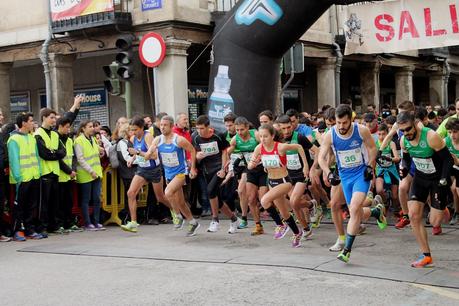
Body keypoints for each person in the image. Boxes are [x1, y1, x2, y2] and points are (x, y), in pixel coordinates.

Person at [318, 104, 387, 263]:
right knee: (355, 212)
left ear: (351, 120)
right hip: (344, 176)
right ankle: (376, 211)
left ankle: (347, 250)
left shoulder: (361, 130)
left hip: (361, 174)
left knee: (354, 208)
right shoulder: (330, 134)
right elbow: (321, 158)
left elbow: (372, 149)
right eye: (338, 123)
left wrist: (371, 166)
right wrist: (328, 173)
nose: (341, 126)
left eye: (344, 123)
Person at [398, 112, 453, 267]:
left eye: (408, 129)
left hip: (438, 179)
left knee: (435, 221)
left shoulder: (430, 136)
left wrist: (444, 178)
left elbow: (448, 159)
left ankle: (444, 210)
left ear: (415, 124)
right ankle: (426, 255)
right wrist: (403, 168)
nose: (406, 133)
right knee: (414, 215)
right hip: (421, 178)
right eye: (402, 130)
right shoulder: (403, 141)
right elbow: (406, 160)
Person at [248, 124, 308, 247]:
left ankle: (281, 225)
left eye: (265, 136)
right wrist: (253, 163)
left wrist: (306, 166)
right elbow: (250, 165)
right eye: (261, 136)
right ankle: (297, 233)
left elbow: (299, 147)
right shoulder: (259, 148)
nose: (263, 139)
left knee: (264, 200)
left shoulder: (280, 147)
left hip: (284, 181)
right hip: (271, 182)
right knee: (284, 212)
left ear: (272, 136)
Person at [148, 116, 201, 237]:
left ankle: (177, 216)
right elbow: (149, 154)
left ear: (172, 126)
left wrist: (192, 168)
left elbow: (192, 150)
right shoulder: (158, 140)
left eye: (165, 125)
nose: (162, 127)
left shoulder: (179, 140)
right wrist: (141, 154)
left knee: (167, 192)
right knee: (181, 202)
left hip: (181, 172)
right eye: (161, 125)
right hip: (169, 173)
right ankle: (193, 222)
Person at [121, 116, 172, 233]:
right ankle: (134, 222)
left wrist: (137, 153)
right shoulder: (133, 138)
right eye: (131, 130)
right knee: (131, 193)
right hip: (142, 170)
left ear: (142, 128)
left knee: (160, 197)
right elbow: (137, 152)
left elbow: (153, 156)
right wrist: (132, 158)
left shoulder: (148, 137)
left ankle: (177, 211)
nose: (133, 132)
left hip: (154, 169)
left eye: (135, 129)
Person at [193, 115, 241, 233]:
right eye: (197, 128)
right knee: (216, 200)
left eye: (202, 128)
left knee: (209, 191)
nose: (199, 131)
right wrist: (193, 165)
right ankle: (234, 219)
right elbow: (193, 152)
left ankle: (215, 220)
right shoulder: (195, 137)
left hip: (219, 168)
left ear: (208, 127)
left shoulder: (218, 135)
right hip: (207, 170)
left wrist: (223, 169)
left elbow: (225, 152)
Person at [277, 115, 319, 238]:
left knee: (294, 201)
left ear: (292, 125)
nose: (286, 131)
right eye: (283, 128)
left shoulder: (299, 137)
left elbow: (317, 151)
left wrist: (311, 169)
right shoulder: (279, 140)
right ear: (279, 128)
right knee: (294, 203)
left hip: (302, 173)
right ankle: (309, 214)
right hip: (288, 175)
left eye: (288, 127)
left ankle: (304, 229)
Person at [227, 116, 266, 234]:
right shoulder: (235, 139)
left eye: (242, 130)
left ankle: (280, 218)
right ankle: (244, 218)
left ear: (247, 127)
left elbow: (266, 146)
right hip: (246, 168)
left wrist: (261, 158)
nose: (240, 132)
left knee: (263, 197)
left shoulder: (256, 135)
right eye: (237, 130)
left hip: (261, 167)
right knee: (241, 191)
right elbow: (227, 151)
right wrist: (226, 161)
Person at [8, 112, 42, 241]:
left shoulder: (31, 137)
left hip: (34, 176)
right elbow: (14, 160)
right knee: (19, 206)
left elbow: (36, 157)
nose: (33, 123)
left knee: (31, 205)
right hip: (22, 178)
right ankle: (18, 230)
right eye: (31, 121)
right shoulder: (13, 139)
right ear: (23, 123)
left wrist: (38, 172)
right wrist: (18, 177)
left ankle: (29, 229)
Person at [35, 108, 67, 236]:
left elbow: (62, 152)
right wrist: (54, 153)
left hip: (55, 172)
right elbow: (44, 154)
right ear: (44, 118)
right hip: (45, 173)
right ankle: (42, 226)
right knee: (44, 202)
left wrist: (52, 152)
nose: (54, 120)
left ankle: (53, 225)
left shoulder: (55, 134)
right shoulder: (38, 134)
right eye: (52, 118)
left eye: (55, 118)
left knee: (55, 201)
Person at [74, 120, 105, 231]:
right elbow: (80, 159)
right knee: (86, 199)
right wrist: (90, 171)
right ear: (83, 128)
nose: (92, 128)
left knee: (97, 198)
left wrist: (101, 152)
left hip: (96, 173)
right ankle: (87, 223)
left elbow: (96, 154)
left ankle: (96, 221)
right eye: (90, 126)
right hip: (86, 174)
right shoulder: (78, 141)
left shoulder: (93, 139)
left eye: (93, 126)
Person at [56, 117, 80, 232]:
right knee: (59, 202)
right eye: (66, 127)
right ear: (60, 126)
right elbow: (58, 159)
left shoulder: (70, 140)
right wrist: (69, 171)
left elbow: (73, 157)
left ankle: (69, 223)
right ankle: (60, 224)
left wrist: (73, 170)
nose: (68, 129)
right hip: (61, 175)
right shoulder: (55, 139)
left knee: (69, 201)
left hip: (70, 176)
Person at [375, 124, 400, 214]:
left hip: (391, 170)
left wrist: (389, 159)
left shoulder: (391, 143)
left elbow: (397, 158)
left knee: (395, 197)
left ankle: (396, 207)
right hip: (380, 170)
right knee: (379, 190)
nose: (381, 136)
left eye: (383, 134)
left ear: (388, 134)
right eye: (379, 134)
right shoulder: (376, 143)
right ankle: (385, 201)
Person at [445, 118, 459, 225]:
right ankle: (456, 212)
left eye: (455, 132)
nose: (452, 135)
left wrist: (456, 160)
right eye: (449, 132)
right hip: (452, 170)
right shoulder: (446, 141)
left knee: (455, 189)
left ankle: (456, 212)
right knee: (453, 189)